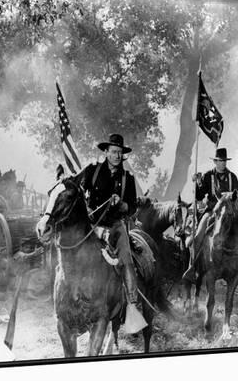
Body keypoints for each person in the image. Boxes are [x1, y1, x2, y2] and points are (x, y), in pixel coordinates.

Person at [77, 133, 147, 334]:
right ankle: (75, 296)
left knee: (126, 259)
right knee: (76, 252)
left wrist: (122, 203)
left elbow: (132, 207)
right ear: (106, 152)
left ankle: (132, 305)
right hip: (92, 225)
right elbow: (79, 189)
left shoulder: (128, 178)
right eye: (113, 152)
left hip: (115, 226)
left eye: (120, 153)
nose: (117, 156)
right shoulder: (92, 170)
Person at [182, 148, 238, 281]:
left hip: (229, 214)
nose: (222, 163)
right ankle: (192, 267)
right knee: (198, 236)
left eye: (224, 161)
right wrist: (197, 183)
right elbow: (199, 196)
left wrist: (231, 202)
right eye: (219, 161)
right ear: (215, 161)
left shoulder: (232, 177)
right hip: (211, 212)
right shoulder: (208, 175)